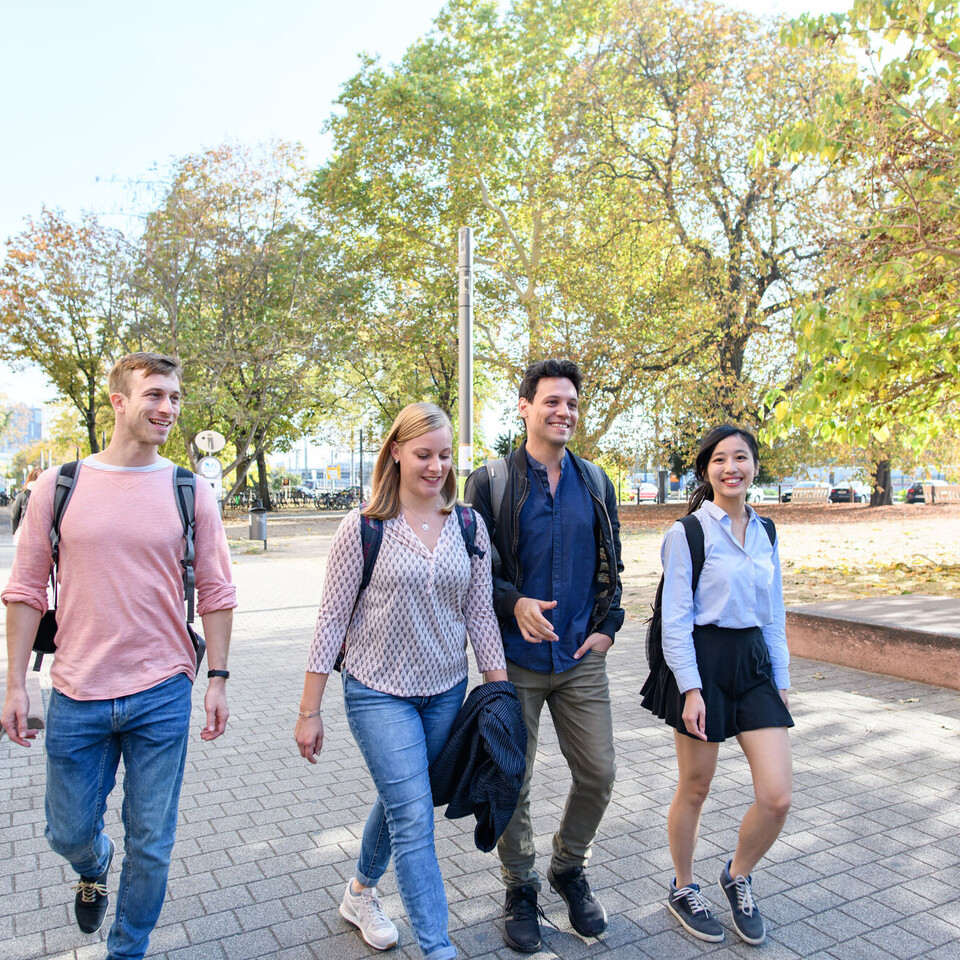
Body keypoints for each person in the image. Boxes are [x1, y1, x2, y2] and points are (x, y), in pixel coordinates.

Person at [1, 352, 237, 960]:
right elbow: (26, 588)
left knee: (153, 842)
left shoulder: (191, 490)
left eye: (176, 397)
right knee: (67, 831)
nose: (167, 407)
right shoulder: (59, 485)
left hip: (161, 691)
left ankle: (125, 949)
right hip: (77, 690)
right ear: (119, 401)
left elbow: (216, 589)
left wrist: (218, 679)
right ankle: (94, 862)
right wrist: (14, 684)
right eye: (155, 394)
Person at [295, 402, 508, 960]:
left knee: (404, 798)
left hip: (444, 691)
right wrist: (308, 710)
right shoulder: (362, 528)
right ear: (395, 452)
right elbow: (331, 620)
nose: (435, 466)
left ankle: (359, 893)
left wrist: (500, 693)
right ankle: (438, 948)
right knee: (414, 816)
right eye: (422, 454)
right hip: (376, 691)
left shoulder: (467, 524)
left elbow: (480, 614)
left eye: (443, 455)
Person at [464, 359, 623, 952]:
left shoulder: (597, 483)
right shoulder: (490, 482)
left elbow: (613, 564)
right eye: (552, 401)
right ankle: (521, 885)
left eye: (572, 404)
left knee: (600, 772)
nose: (564, 412)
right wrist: (513, 603)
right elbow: (472, 569)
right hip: (514, 660)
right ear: (525, 407)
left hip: (581, 656)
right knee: (514, 779)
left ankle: (568, 867)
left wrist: (609, 625)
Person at [640, 424, 793, 946]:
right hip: (702, 664)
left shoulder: (767, 531)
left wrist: (782, 677)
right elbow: (677, 619)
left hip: (753, 667)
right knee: (697, 786)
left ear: (754, 466)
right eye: (721, 460)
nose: (732, 468)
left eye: (742, 458)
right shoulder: (688, 534)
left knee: (777, 798)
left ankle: (738, 874)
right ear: (706, 470)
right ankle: (683, 886)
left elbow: (773, 613)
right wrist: (690, 689)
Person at [10, 466, 40, 542]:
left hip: (24, 530)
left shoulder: (22, 494)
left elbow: (14, 516)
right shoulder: (46, 493)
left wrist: (14, 532)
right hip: (41, 531)